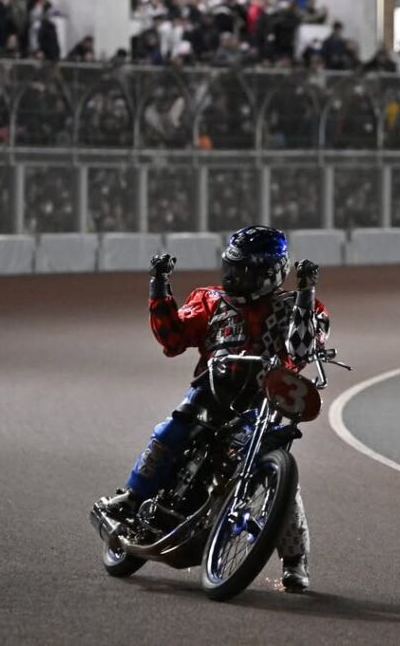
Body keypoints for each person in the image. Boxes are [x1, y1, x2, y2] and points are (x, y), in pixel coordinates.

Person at [100, 226, 329, 592]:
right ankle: (132, 496)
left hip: (264, 404)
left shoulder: (302, 306)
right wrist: (159, 285)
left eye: (245, 271)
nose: (234, 277)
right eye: (231, 267)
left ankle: (295, 559)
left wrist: (305, 293)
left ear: (272, 273)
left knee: (279, 473)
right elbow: (173, 339)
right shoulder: (209, 299)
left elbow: (301, 351)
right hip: (212, 392)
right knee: (173, 429)